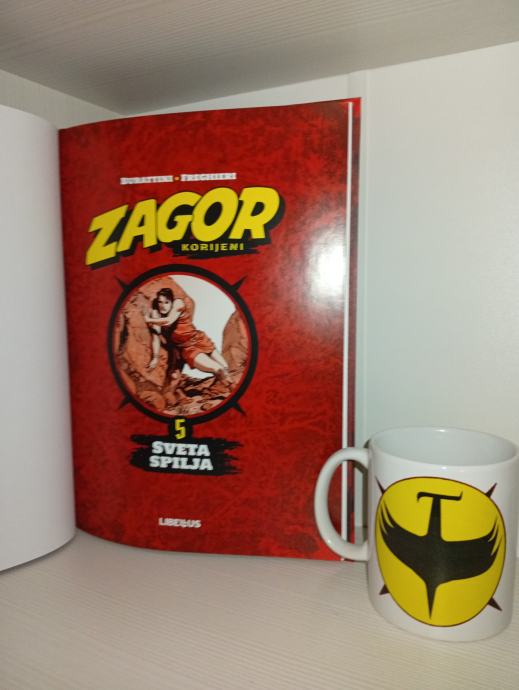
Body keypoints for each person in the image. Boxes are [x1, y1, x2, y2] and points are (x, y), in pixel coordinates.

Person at [144, 287, 229, 381]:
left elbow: (168, 321)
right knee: (218, 369)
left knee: (226, 367)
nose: (163, 306)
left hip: (199, 339)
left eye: (166, 302)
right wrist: (155, 357)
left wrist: (149, 320)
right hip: (188, 349)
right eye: (160, 302)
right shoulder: (156, 314)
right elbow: (156, 336)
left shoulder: (178, 303)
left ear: (172, 301)